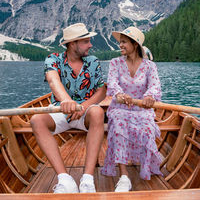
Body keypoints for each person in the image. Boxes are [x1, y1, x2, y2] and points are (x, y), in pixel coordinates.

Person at [31, 23, 106, 194]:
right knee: (36, 120)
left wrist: (82, 107)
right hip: (60, 110)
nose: (91, 45)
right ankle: (65, 179)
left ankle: (87, 179)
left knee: (97, 112)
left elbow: (102, 91)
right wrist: (66, 101)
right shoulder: (53, 59)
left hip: (84, 112)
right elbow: (53, 80)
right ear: (73, 44)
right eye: (86, 41)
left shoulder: (93, 62)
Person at [101, 26, 162, 192]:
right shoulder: (115, 63)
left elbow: (155, 86)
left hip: (142, 108)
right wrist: (120, 95)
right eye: (120, 42)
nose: (120, 45)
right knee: (119, 121)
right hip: (120, 107)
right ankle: (124, 176)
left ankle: (146, 165)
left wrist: (149, 97)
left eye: (124, 42)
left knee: (148, 125)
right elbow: (112, 84)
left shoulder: (150, 66)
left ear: (135, 45)